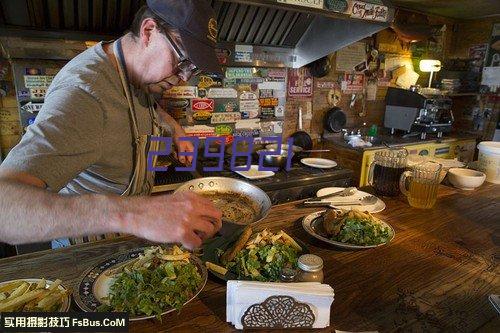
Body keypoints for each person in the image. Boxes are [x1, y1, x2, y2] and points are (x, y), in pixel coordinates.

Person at [0, 0, 222, 250]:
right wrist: (134, 214)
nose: (183, 78)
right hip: (86, 254)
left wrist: (174, 128)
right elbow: (4, 208)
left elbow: (142, 104)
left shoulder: (136, 74)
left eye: (191, 69)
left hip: (125, 248)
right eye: (182, 62)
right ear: (149, 31)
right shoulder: (84, 94)